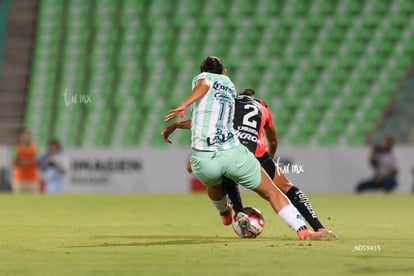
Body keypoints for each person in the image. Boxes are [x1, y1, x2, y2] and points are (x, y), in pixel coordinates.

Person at [164, 56, 334, 240]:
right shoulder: (261, 106)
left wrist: (180, 119)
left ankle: (233, 213)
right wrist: (270, 159)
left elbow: (206, 115)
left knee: (221, 179)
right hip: (254, 152)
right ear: (225, 72)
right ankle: (314, 227)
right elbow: (273, 140)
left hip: (215, 153)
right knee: (282, 189)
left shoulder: (229, 100)